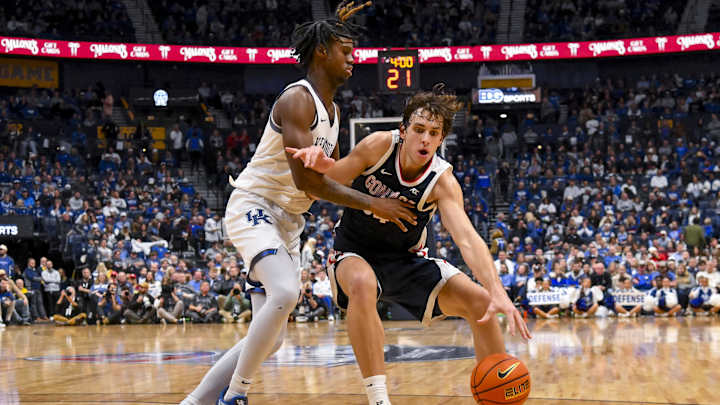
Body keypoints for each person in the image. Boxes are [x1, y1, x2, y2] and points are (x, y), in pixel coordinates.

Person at [180, 3, 416, 405]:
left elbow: (336, 176)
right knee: (286, 293)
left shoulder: (334, 113)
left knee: (271, 338)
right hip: (256, 205)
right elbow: (309, 181)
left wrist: (388, 190)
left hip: (288, 221)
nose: (353, 59)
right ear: (322, 51)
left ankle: (193, 403)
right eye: (346, 51)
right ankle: (235, 395)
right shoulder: (297, 100)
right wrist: (374, 205)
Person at [288, 85, 531, 405]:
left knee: (481, 302)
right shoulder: (378, 146)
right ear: (403, 131)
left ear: (441, 140)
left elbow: (467, 238)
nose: (425, 139)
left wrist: (497, 290)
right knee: (362, 282)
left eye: (434, 133)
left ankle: (499, 396)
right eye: (419, 129)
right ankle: (379, 399)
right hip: (355, 252)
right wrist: (319, 165)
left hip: (406, 260)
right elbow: (328, 181)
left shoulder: (442, 181)